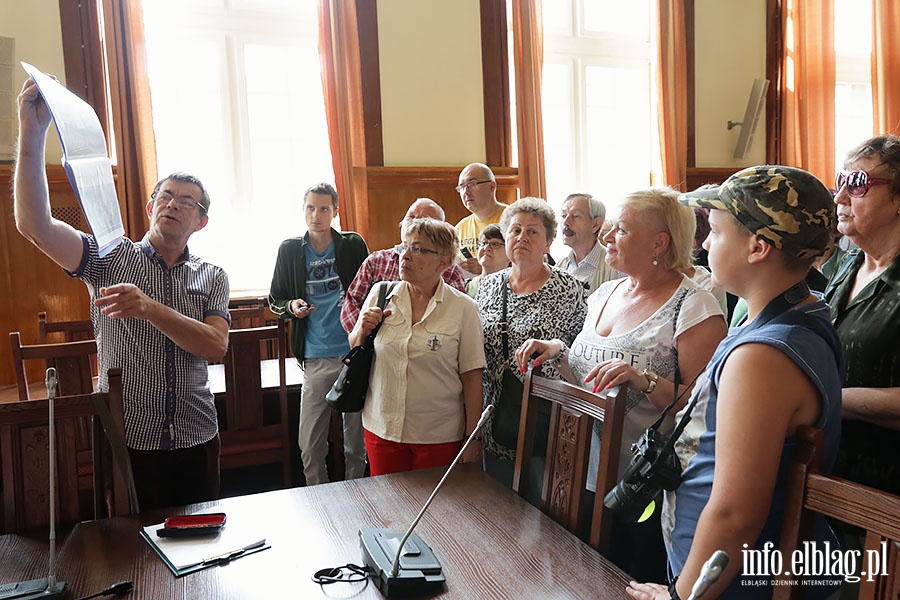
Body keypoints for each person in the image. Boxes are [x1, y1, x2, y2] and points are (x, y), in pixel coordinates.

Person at [627, 166, 844, 599]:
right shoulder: (797, 315)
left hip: (733, 585)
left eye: (717, 231)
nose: (705, 242)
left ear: (758, 247)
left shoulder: (763, 355)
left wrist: (680, 596)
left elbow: (735, 513)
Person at [14, 77, 230, 510]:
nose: (173, 204)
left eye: (186, 202)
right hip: (129, 438)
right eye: (165, 197)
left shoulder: (212, 275)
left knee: (202, 553)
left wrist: (149, 308)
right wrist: (32, 130)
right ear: (150, 208)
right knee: (131, 555)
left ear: (201, 221)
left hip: (196, 433)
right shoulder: (111, 258)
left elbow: (215, 347)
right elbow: (34, 225)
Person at [517, 187, 726, 581]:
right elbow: (587, 377)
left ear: (659, 243)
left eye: (621, 230)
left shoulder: (693, 305)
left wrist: (645, 380)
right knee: (577, 576)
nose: (607, 236)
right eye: (609, 227)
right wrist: (558, 351)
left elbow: (702, 407)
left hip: (643, 490)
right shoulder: (604, 294)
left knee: (625, 580)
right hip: (581, 472)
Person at [350, 218, 485, 475]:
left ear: (443, 262)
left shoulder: (464, 308)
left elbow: (472, 378)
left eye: (419, 249)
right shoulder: (381, 294)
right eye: (406, 247)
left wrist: (472, 438)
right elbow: (355, 347)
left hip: (438, 435)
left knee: (435, 513)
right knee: (387, 511)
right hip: (383, 428)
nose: (406, 256)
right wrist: (363, 330)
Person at [475, 197, 587, 494]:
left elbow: (578, 356)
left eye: (532, 232)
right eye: (515, 230)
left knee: (541, 513)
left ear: (549, 242)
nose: (522, 237)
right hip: (494, 419)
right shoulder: (485, 285)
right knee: (496, 507)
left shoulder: (567, 288)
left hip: (544, 422)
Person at [268, 183, 369, 485]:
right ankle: (319, 497)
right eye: (311, 208)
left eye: (324, 208)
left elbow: (371, 288)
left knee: (356, 442)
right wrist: (292, 306)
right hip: (314, 356)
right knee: (309, 444)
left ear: (335, 212)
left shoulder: (352, 245)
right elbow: (276, 299)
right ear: (303, 210)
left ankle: (357, 495)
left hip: (354, 353)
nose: (316, 215)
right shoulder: (289, 249)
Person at [826, 135, 900, 496]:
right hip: (827, 478)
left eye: (857, 184)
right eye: (841, 182)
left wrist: (825, 399)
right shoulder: (849, 263)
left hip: (884, 495)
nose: (839, 197)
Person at [340, 198, 466, 333]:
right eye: (410, 217)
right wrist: (367, 334)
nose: (414, 222)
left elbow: (457, 317)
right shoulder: (376, 261)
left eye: (423, 219)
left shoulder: (450, 270)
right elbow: (351, 302)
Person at [556, 193, 620, 293]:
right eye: (563, 216)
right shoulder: (561, 264)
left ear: (595, 225)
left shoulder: (614, 268)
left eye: (575, 216)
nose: (566, 222)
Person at [456, 162, 508, 275]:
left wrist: (487, 267)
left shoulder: (513, 219)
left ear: (492, 186)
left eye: (472, 184)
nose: (466, 192)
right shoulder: (460, 228)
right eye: (461, 187)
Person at [465, 223, 510, 297]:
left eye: (495, 244)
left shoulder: (516, 288)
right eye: (483, 243)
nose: (486, 248)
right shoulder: (466, 286)